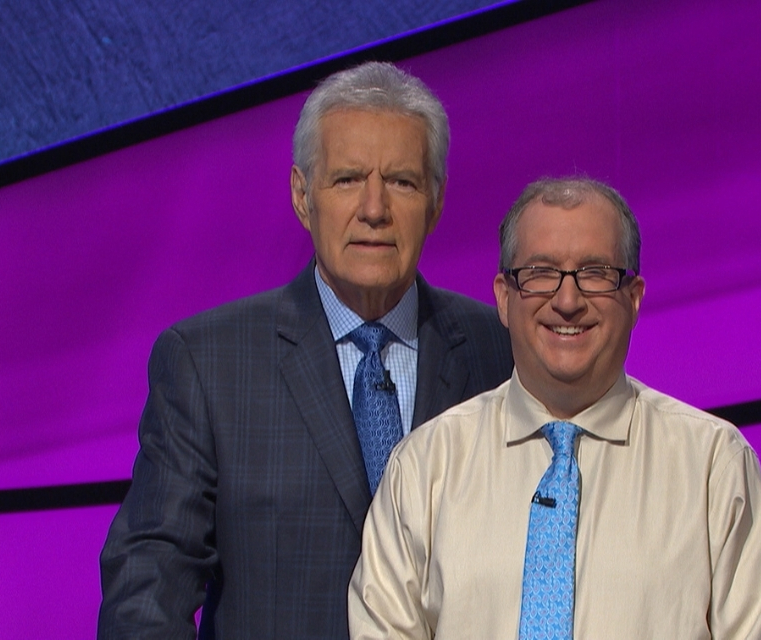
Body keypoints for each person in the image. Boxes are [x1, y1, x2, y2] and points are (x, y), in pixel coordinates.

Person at [98, 61, 513, 639]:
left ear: (437, 201)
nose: (374, 209)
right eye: (347, 179)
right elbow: (145, 590)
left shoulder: (501, 350)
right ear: (301, 196)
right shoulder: (207, 363)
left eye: (402, 181)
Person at [349, 177, 761, 639]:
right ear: (504, 297)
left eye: (594, 273)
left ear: (634, 297)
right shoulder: (422, 470)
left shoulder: (714, 468)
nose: (567, 301)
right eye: (541, 272)